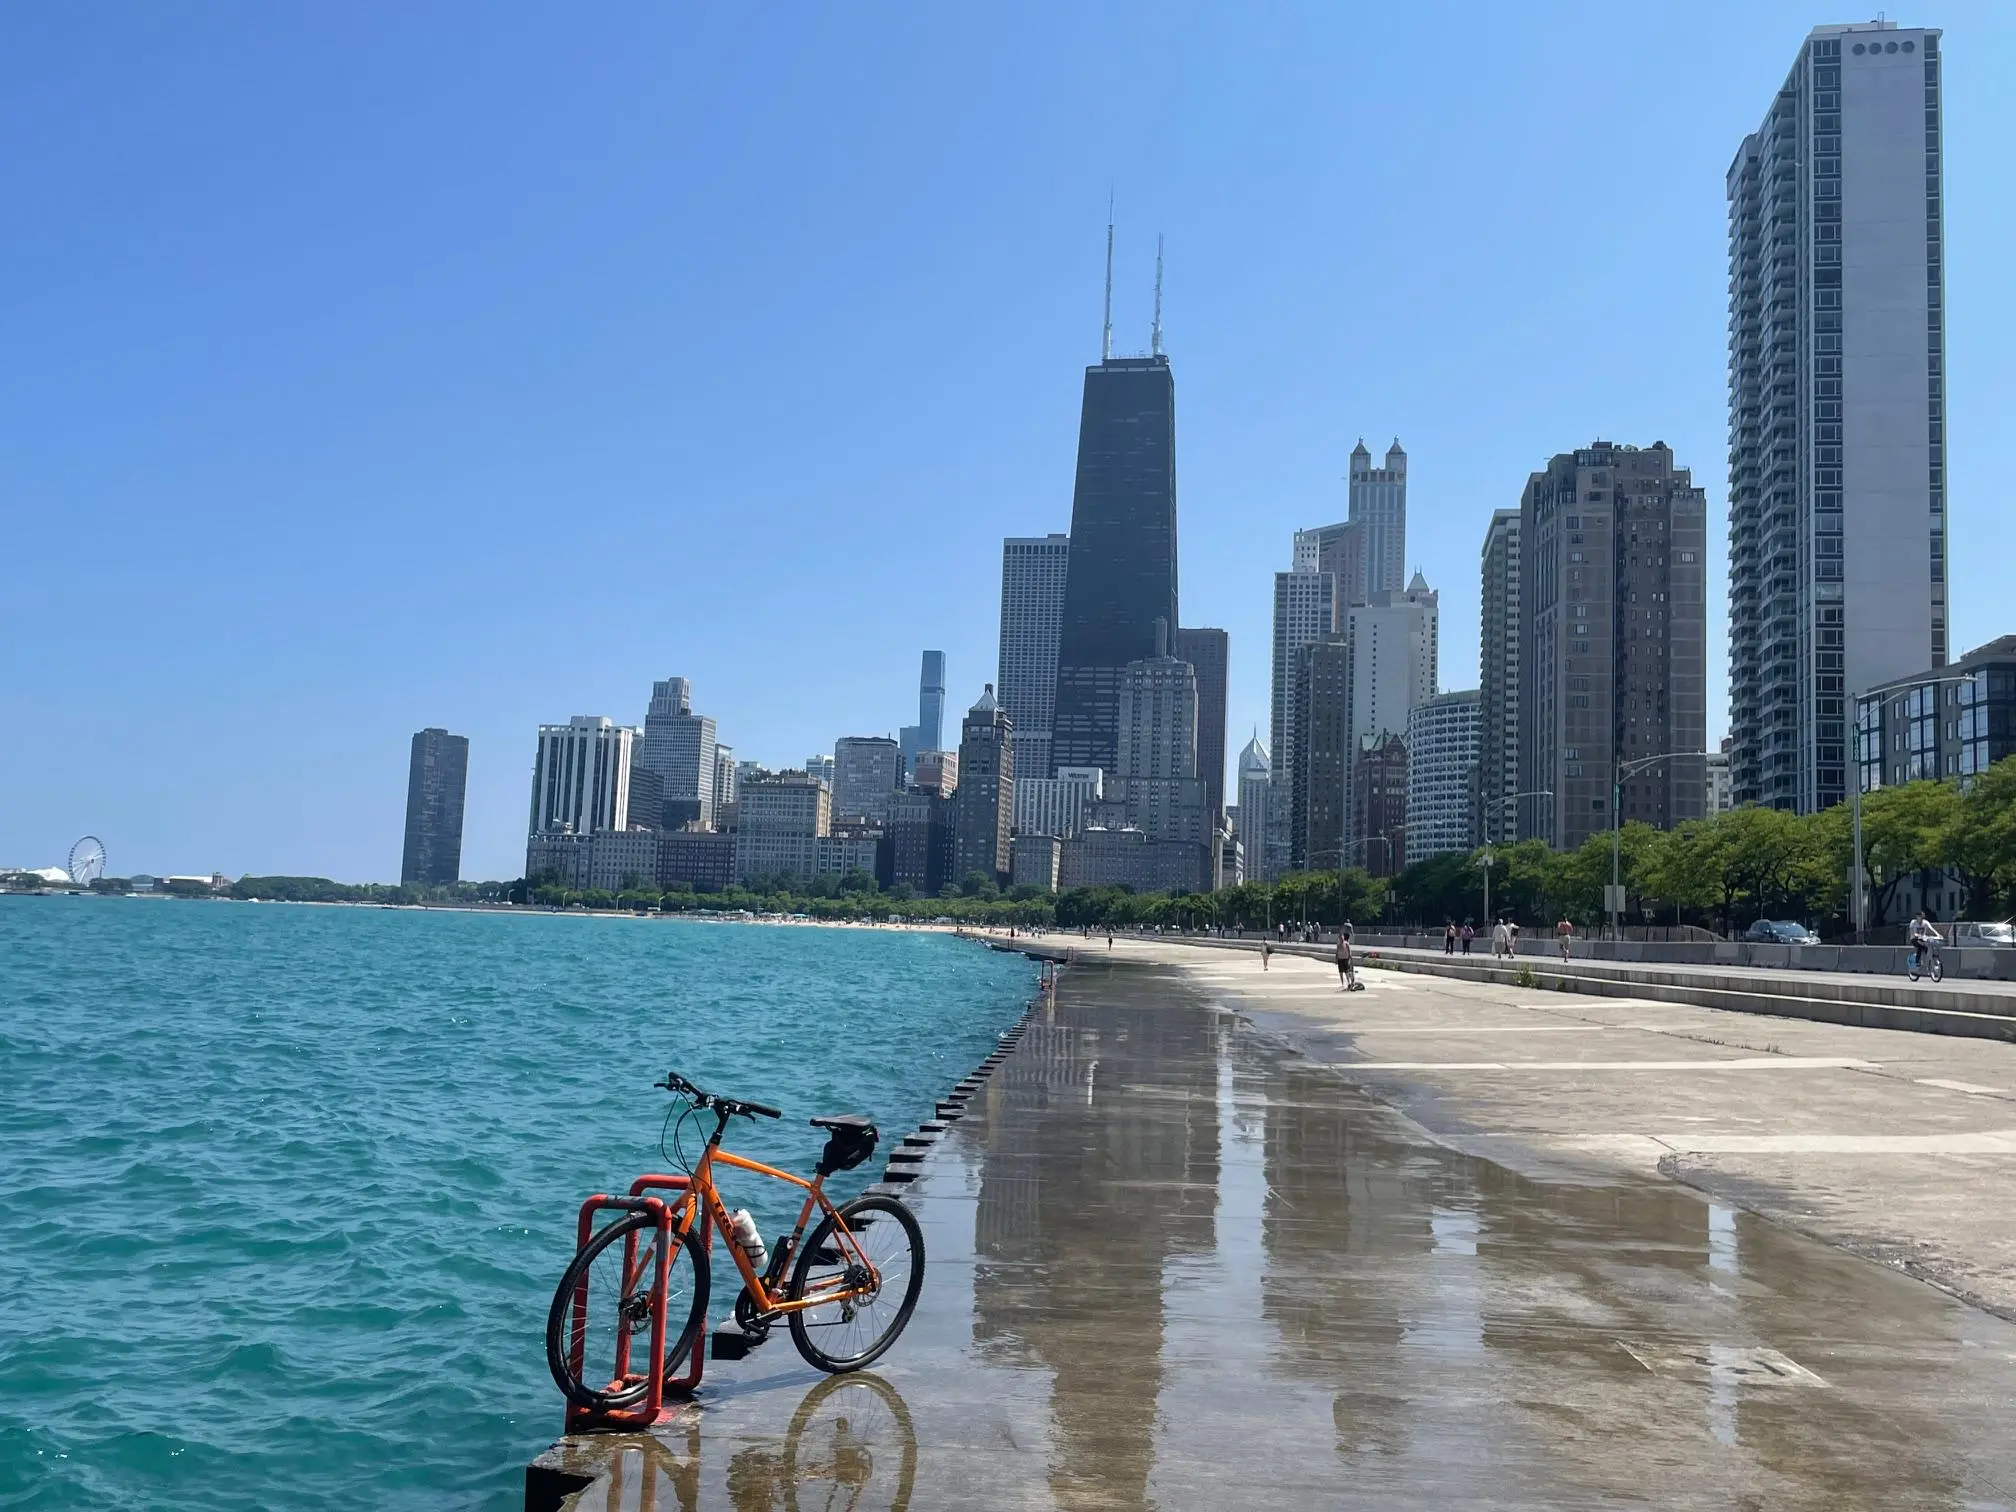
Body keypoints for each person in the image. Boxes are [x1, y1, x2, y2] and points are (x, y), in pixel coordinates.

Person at [1335, 921, 1360, 991]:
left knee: (1344, 971)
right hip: (1347, 937)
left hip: (1343, 956)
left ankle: (1345, 983)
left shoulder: (1344, 925)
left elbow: (1341, 931)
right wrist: (1352, 934)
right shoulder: (1349, 925)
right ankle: (1348, 982)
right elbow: (1351, 930)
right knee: (1346, 970)